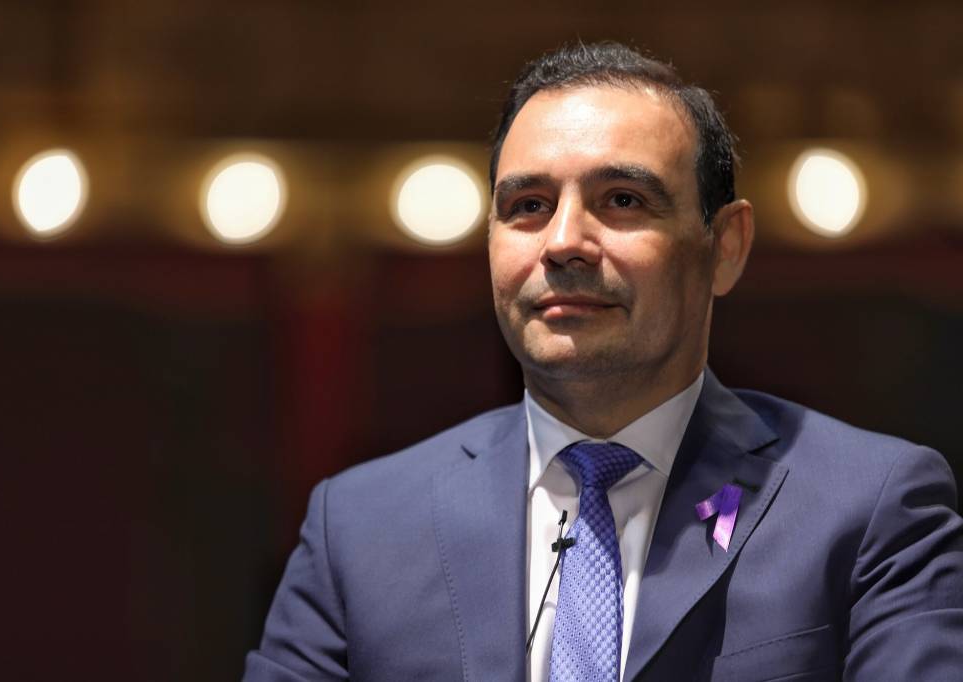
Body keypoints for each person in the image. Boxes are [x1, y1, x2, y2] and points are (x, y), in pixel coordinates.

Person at [244, 42, 963, 681]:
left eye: (622, 200)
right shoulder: (359, 528)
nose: (563, 242)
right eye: (528, 205)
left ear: (725, 247)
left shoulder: (869, 509)